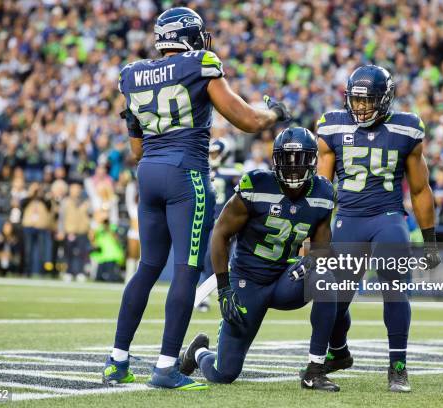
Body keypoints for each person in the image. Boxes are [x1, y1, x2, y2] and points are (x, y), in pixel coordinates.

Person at [103, 6, 290, 390]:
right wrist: (273, 114)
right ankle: (166, 366)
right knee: (187, 270)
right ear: (190, 36)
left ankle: (116, 361)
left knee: (148, 267)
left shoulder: (132, 74)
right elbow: (248, 120)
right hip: (185, 174)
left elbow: (136, 147)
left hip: (148, 173)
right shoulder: (199, 64)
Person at [180, 127, 339, 391]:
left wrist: (310, 262)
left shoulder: (323, 193)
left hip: (284, 280)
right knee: (224, 373)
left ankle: (315, 369)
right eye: (286, 160)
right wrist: (224, 288)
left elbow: (322, 249)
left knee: (325, 278)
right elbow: (220, 234)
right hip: (247, 281)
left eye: (299, 160)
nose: (292, 168)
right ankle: (197, 353)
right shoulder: (257, 184)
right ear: (275, 159)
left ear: (312, 161)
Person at [316, 65, 441, 392]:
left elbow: (420, 190)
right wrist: (314, 237)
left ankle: (398, 366)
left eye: (367, 100)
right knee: (332, 299)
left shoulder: (407, 128)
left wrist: (429, 243)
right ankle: (339, 352)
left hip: (388, 219)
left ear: (385, 100)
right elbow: (321, 189)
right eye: (355, 100)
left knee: (396, 287)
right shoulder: (332, 125)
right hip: (348, 220)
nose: (359, 107)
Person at [196, 138, 242, 312]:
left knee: (233, 260)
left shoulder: (234, 171)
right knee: (210, 258)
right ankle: (205, 296)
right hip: (212, 220)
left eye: (215, 153)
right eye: (211, 153)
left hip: (230, 222)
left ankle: (235, 295)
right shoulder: (205, 170)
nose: (212, 156)